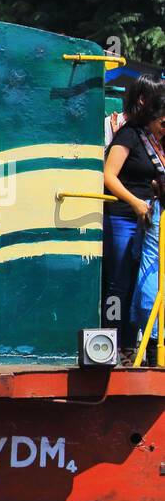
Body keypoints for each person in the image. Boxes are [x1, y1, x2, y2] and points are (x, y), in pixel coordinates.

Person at [105, 78, 165, 354]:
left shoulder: (155, 139)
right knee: (119, 281)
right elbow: (109, 176)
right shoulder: (129, 134)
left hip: (147, 219)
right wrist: (136, 202)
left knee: (143, 278)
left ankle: (132, 342)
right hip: (123, 216)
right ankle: (112, 342)